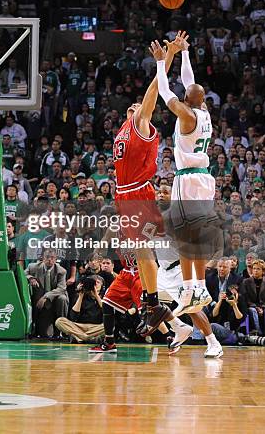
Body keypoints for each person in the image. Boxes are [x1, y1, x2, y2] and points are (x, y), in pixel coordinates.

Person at [90, 33, 187, 353]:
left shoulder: (141, 125)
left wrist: (166, 58)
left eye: (138, 105)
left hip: (138, 194)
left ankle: (153, 305)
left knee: (145, 252)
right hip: (126, 195)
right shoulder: (124, 129)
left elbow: (155, 90)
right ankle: (154, 307)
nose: (135, 105)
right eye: (133, 106)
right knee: (142, 251)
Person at [154, 35, 216, 315]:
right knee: (196, 233)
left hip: (188, 177)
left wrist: (160, 63)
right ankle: (196, 288)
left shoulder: (187, 115)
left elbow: (166, 94)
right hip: (205, 177)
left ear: (188, 99)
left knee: (184, 234)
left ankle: (194, 288)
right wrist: (186, 54)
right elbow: (189, 81)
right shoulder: (204, 112)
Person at [155, 186, 224, 358]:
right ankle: (180, 328)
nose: (161, 195)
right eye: (159, 192)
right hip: (163, 271)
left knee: (192, 308)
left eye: (165, 192)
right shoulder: (155, 217)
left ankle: (213, 342)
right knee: (149, 302)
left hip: (180, 270)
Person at [25, 249, 69, 338]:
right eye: (47, 258)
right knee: (45, 335)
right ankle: (33, 328)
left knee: (62, 298)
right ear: (42, 258)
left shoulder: (61, 271)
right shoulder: (32, 267)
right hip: (39, 301)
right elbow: (23, 274)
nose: (50, 260)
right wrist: (31, 278)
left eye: (52, 258)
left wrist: (46, 297)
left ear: (56, 259)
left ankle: (61, 330)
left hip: (55, 299)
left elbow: (61, 288)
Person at [55, 275, 104, 342]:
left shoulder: (105, 297)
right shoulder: (80, 295)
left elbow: (106, 312)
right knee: (59, 321)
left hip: (96, 327)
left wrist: (96, 295)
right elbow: (73, 317)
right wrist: (80, 296)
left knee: (110, 326)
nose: (94, 285)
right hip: (78, 326)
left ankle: (79, 337)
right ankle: (87, 338)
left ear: (102, 286)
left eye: (97, 282)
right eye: (92, 282)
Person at [241, 259, 265, 335]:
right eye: (254, 268)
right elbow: (245, 298)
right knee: (252, 310)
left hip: (264, 307)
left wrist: (262, 307)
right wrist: (256, 307)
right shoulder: (246, 282)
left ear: (263, 271)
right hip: (251, 306)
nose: (255, 271)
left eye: (258, 269)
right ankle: (258, 333)